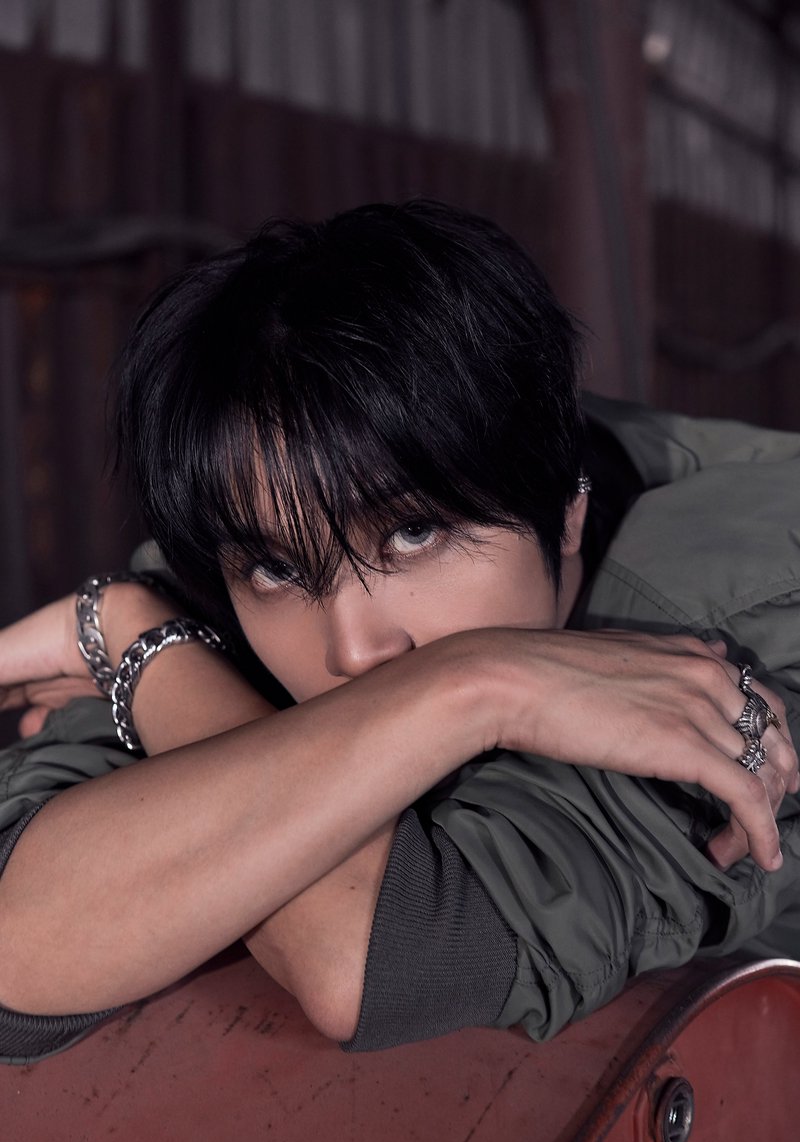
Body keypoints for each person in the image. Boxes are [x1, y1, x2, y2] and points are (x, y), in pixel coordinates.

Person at [0, 199, 798, 1062]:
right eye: (279, 572)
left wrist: (137, 651)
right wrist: (143, 632)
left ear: (567, 513)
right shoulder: (249, 539)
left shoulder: (759, 617)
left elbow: (364, 953)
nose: (354, 650)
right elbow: (23, 938)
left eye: (414, 535)